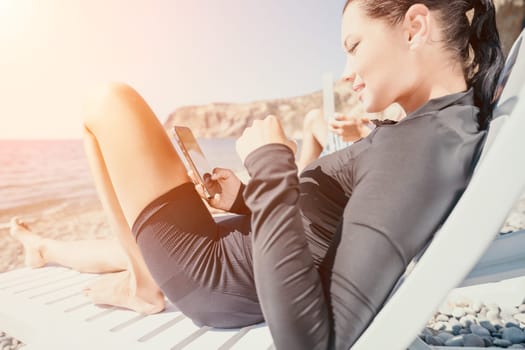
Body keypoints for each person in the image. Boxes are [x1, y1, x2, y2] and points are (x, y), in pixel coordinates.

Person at [9, 0, 504, 349]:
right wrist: (248, 197)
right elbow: (332, 224)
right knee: (126, 240)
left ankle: (141, 284)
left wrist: (270, 163)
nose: (347, 69)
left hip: (216, 273)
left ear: (415, 26)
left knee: (105, 101)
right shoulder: (433, 129)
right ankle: (47, 249)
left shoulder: (421, 149)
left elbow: (311, 340)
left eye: (353, 45)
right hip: (244, 248)